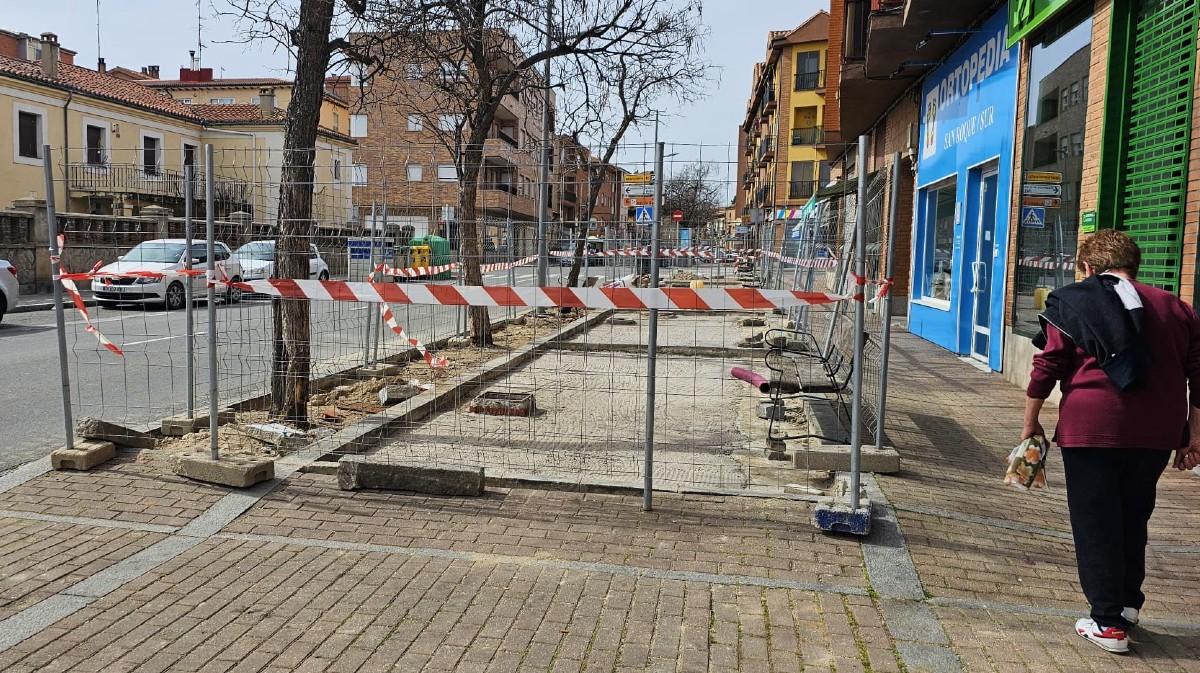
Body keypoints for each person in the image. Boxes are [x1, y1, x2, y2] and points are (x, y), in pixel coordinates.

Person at [1023, 228, 1200, 654]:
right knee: (1133, 516)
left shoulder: (1073, 301)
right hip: (1157, 433)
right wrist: (1194, 431)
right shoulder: (1176, 306)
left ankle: (1106, 623)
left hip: (1093, 430)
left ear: (1087, 267)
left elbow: (1048, 364)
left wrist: (1030, 421)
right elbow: (1197, 370)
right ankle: (1126, 604)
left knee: (1096, 522)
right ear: (1133, 266)